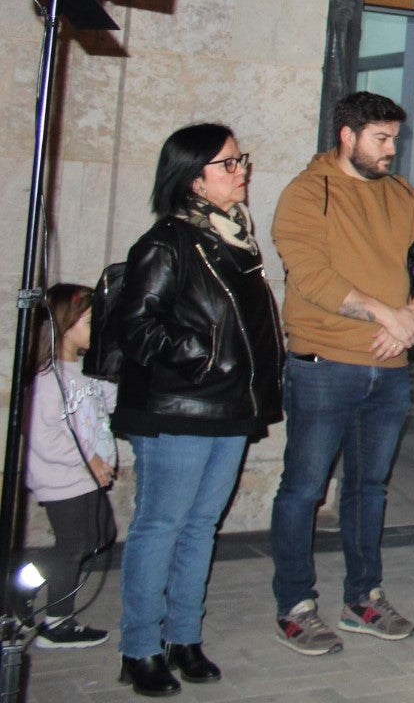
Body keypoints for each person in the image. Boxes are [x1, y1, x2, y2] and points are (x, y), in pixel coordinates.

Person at [270, 92, 414, 655]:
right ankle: (295, 605)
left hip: (389, 366)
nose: (392, 149)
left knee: (368, 488)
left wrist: (413, 315)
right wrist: (385, 312)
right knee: (304, 489)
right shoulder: (307, 194)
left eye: (395, 138)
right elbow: (311, 277)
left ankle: (362, 598)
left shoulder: (402, 195)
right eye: (382, 138)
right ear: (347, 136)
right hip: (325, 364)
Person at [114, 124, 284, 697]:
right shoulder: (168, 241)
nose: (243, 171)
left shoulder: (234, 238)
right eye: (229, 163)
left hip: (231, 405)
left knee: (201, 527)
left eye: (241, 160)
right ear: (193, 178)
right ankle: (139, 648)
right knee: (161, 525)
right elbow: (136, 326)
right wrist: (200, 353)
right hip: (179, 405)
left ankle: (183, 637)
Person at [27, 284, 116, 650]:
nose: (98, 328)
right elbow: (43, 435)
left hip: (86, 476)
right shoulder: (49, 379)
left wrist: (113, 366)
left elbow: (108, 404)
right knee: (74, 544)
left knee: (98, 536)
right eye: (92, 322)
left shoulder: (84, 370)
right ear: (65, 325)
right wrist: (89, 460)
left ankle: (22, 586)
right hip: (63, 478)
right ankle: (57, 622)